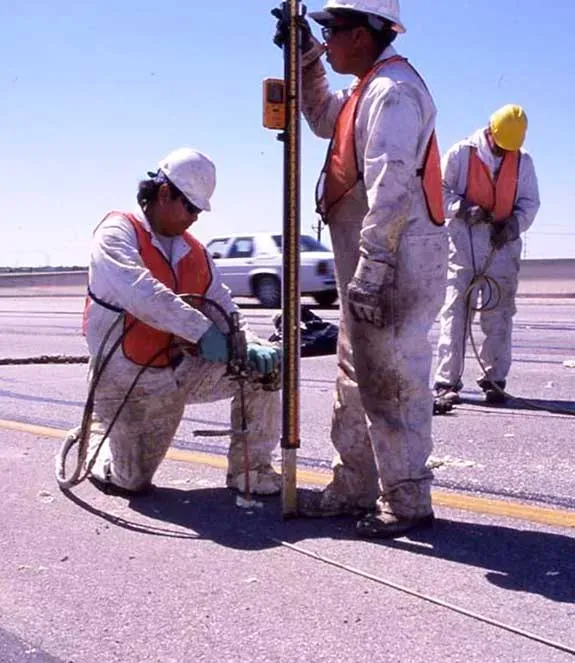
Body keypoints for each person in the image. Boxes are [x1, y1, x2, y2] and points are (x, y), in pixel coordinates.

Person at [274, 0, 448, 537]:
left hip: (393, 263)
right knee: (358, 379)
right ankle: (354, 487)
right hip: (371, 263)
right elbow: (326, 118)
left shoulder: (392, 93)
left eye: (331, 31)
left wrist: (372, 271)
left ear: (364, 33)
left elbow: (392, 189)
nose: (326, 39)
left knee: (392, 383)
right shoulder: (366, 90)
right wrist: (306, 60)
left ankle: (406, 500)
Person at [77, 147, 282, 497]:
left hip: (179, 369)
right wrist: (201, 331)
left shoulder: (195, 251)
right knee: (131, 481)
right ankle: (97, 437)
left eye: (199, 210)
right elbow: (142, 294)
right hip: (124, 379)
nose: (195, 217)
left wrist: (249, 341)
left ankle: (251, 471)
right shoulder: (116, 233)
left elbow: (221, 302)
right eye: (189, 206)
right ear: (163, 193)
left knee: (262, 370)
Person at [433, 105, 540, 406]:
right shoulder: (460, 154)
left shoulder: (522, 161)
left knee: (500, 314)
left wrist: (514, 225)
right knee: (455, 313)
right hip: (464, 244)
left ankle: (495, 380)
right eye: (500, 147)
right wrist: (463, 209)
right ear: (490, 132)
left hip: (501, 245)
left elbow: (530, 202)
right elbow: (438, 190)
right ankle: (447, 381)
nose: (504, 154)